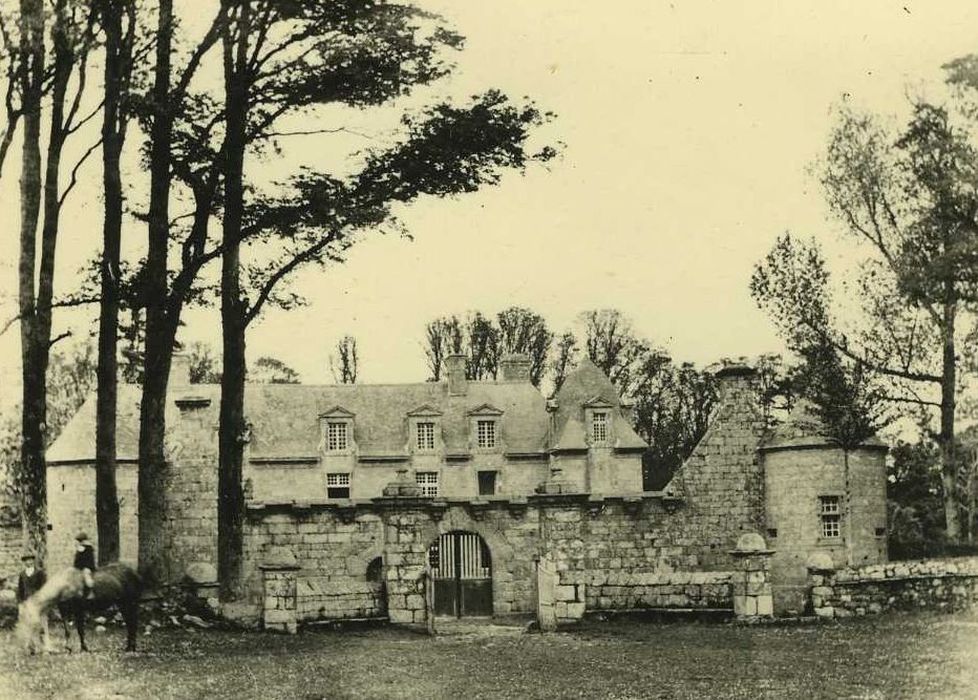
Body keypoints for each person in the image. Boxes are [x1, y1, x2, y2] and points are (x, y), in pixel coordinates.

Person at [73, 532, 96, 599]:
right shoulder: (82, 548)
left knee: (87, 577)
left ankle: (91, 592)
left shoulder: (87, 548)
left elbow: (83, 560)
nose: (79, 542)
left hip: (87, 567)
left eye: (80, 540)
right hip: (80, 568)